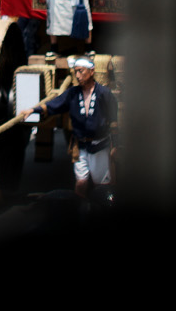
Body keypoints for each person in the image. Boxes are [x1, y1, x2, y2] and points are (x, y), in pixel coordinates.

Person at [19, 54, 116, 203]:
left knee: (101, 185)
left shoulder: (104, 93)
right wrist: (32, 110)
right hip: (81, 145)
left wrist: (114, 144)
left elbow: (113, 119)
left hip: (99, 145)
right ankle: (80, 213)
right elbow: (53, 105)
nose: (77, 75)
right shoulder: (72, 93)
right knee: (81, 183)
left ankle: (102, 212)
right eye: (76, 71)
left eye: (81, 71)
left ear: (92, 71)